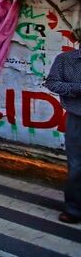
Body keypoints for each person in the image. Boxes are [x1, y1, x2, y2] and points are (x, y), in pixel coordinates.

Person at [45, 46, 81, 224]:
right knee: (76, 166)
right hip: (77, 118)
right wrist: (78, 88)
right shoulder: (65, 59)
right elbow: (52, 83)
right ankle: (74, 209)